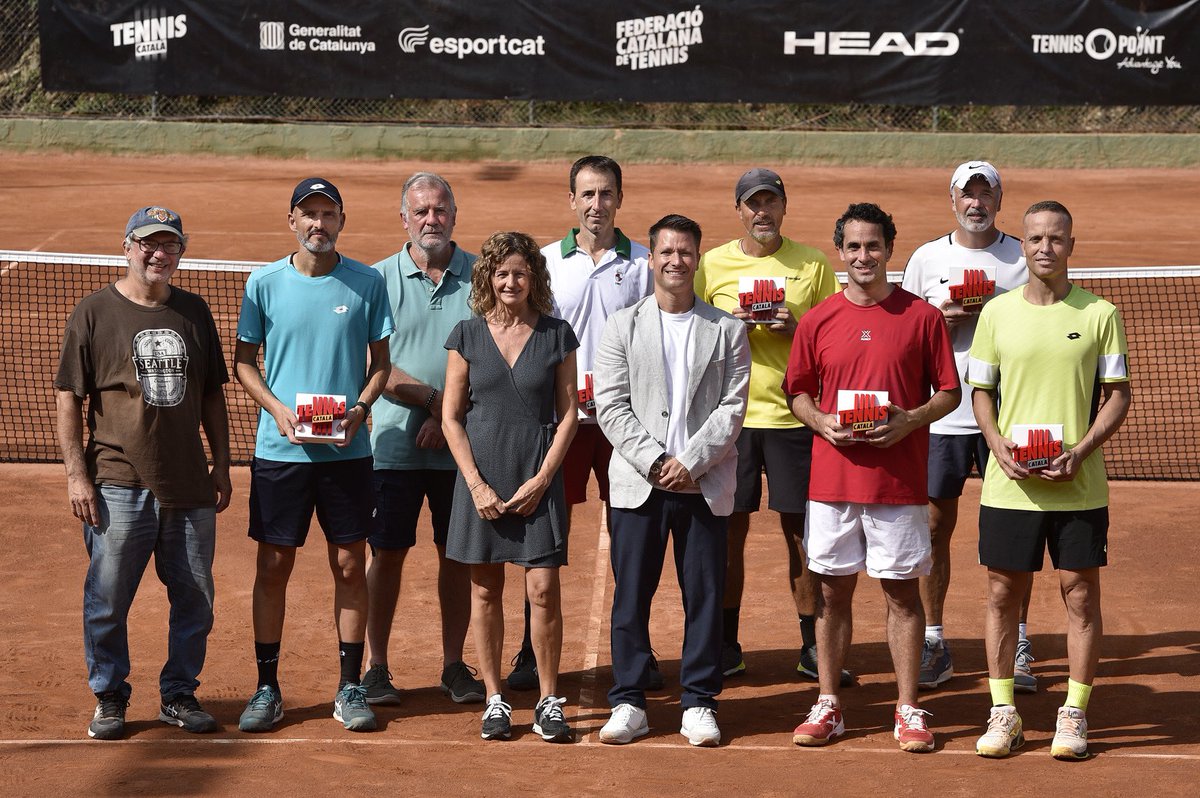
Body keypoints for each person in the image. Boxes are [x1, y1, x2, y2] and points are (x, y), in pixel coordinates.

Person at [784, 203, 959, 753]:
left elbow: (948, 392)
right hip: (832, 484)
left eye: (874, 245)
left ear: (890, 249)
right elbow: (798, 392)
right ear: (841, 252)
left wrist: (908, 420)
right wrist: (821, 423)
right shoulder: (816, 320)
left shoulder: (923, 317)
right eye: (854, 246)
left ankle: (908, 709)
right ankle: (830, 704)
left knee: (902, 596)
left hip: (898, 484)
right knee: (833, 596)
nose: (864, 256)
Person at [55, 206, 231, 740]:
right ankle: (109, 696)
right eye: (149, 243)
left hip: (188, 485)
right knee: (108, 598)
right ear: (128, 246)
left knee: (196, 600)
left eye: (170, 245)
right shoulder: (93, 312)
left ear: (182, 250)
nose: (159, 254)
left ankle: (179, 694)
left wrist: (221, 463)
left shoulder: (195, 312)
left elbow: (210, 395)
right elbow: (69, 396)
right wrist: (75, 475)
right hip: (115, 481)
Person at [970, 201, 1131, 760]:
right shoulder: (996, 314)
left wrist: (1082, 450)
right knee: (1001, 594)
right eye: (1035, 238)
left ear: (1070, 244)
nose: (1044, 248)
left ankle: (1074, 713)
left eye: (1055, 239)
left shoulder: (1099, 314)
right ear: (1025, 245)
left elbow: (1117, 395)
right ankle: (1004, 712)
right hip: (1010, 483)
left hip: (1078, 485)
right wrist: (997, 446)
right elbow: (981, 392)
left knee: (1080, 595)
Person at [234, 178, 393, 733]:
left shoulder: (368, 282)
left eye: (328, 214)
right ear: (292, 221)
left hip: (347, 453)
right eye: (309, 214)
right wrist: (277, 410)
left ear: (342, 221)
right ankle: (267, 687)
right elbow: (244, 363)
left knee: (350, 564)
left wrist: (361, 408)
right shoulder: (263, 283)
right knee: (273, 565)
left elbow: (379, 365)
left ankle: (349, 686)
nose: (318, 224)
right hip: (280, 452)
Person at [593, 214, 750, 747]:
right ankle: (630, 700)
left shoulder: (728, 329)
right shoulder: (621, 325)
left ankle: (699, 702)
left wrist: (691, 462)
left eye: (685, 252)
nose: (675, 261)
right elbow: (611, 407)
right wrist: (658, 462)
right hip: (642, 483)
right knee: (631, 594)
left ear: (697, 258)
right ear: (652, 259)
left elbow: (732, 410)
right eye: (666, 252)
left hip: (703, 484)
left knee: (703, 593)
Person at [505, 155, 656, 693]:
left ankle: (636, 650)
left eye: (607, 194)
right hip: (558, 424)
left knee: (632, 537)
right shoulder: (543, 263)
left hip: (625, 426)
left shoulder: (643, 262)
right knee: (543, 540)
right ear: (571, 201)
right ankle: (529, 649)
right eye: (587, 195)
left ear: (620, 198)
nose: (597, 205)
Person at [694, 168, 846, 684]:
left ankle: (810, 647)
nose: (763, 211)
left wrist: (795, 328)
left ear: (784, 208)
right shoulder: (711, 264)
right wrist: (728, 329)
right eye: (753, 203)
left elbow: (834, 338)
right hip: (729, 421)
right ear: (738, 209)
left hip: (793, 418)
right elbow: (688, 329)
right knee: (726, 535)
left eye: (771, 202)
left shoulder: (814, 264)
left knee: (801, 535)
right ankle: (725, 644)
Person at [901, 161, 1035, 692]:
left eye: (986, 193)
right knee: (935, 528)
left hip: (1008, 415)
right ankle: (935, 638)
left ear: (999, 201)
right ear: (952, 200)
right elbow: (904, 326)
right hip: (942, 414)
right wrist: (942, 315)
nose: (976, 202)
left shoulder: (1021, 257)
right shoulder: (926, 258)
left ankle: (1018, 638)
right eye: (967, 194)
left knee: (1014, 527)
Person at [441, 232, 580, 743]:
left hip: (536, 477)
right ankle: (496, 699)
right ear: (488, 278)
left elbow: (569, 415)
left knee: (542, 591)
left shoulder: (557, 334)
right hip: (482, 475)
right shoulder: (466, 334)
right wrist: (475, 483)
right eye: (501, 273)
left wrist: (543, 479)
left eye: (520, 272)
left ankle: (548, 700)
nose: (510, 282)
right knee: (485, 589)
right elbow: (452, 418)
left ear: (534, 278)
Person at [361, 172, 485, 706]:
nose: (430, 219)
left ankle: (454, 665)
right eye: (420, 211)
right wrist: (436, 404)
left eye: (439, 210)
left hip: (463, 453)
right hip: (391, 450)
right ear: (404, 218)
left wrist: (449, 415)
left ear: (454, 214)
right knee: (385, 555)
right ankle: (376, 667)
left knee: (454, 556)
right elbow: (374, 366)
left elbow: (493, 356)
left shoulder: (484, 277)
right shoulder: (376, 280)